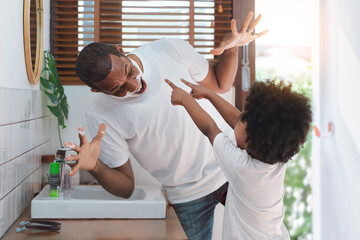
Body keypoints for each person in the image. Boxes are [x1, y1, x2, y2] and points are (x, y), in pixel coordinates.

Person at [64, 12, 268, 240]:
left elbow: (220, 83)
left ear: (119, 49)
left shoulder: (168, 50)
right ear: (97, 90)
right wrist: (96, 167)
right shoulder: (100, 115)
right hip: (187, 195)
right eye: (118, 89)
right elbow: (126, 187)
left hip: (231, 168)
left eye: (129, 71)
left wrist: (232, 48)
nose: (134, 85)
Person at [164, 78, 312, 239]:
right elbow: (238, 123)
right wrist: (209, 94)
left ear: (253, 141)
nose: (238, 118)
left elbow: (210, 129)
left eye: (242, 119)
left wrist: (185, 99)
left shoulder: (242, 167)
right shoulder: (277, 159)